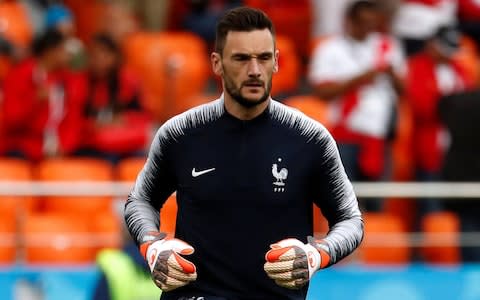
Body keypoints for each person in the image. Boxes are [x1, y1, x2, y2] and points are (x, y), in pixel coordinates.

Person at [124, 6, 363, 300]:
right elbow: (140, 200)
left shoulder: (310, 138)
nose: (254, 70)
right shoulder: (180, 133)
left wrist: (316, 255)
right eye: (241, 59)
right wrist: (153, 247)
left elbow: (351, 220)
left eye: (264, 58)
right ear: (217, 63)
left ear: (276, 62)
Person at [308, 0, 406, 211]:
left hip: (379, 135)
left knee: (377, 204)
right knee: (345, 203)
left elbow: (404, 91)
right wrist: (360, 79)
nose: (368, 28)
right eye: (363, 23)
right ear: (350, 21)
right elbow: (321, 92)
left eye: (373, 24)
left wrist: (391, 74)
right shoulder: (330, 48)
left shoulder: (387, 45)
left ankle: (377, 243)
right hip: (345, 135)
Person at [405, 25, 475, 215]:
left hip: (459, 156)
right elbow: (422, 107)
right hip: (430, 150)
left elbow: (470, 107)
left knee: (461, 211)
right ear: (431, 44)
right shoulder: (417, 67)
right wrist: (452, 107)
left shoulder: (460, 71)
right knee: (430, 210)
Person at [1, 29, 85, 161]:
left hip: (59, 148)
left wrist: (64, 147)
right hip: (23, 147)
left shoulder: (70, 80)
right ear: (50, 51)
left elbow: (74, 120)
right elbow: (11, 120)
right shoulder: (19, 76)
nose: (68, 56)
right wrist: (34, 100)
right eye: (63, 50)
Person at [77, 33, 151, 164]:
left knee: (144, 161)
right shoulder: (80, 83)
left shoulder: (128, 82)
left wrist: (123, 120)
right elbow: (72, 120)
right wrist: (92, 125)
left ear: (115, 57)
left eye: (104, 54)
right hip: (92, 144)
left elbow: (143, 117)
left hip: (123, 142)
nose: (98, 59)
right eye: (94, 55)